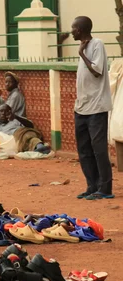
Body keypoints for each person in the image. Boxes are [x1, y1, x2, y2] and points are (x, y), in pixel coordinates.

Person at [72, 16, 114, 200]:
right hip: (81, 107)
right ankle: (92, 186)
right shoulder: (83, 46)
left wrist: (82, 54)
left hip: (96, 107)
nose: (71, 31)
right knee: (84, 150)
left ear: (80, 29)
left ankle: (105, 189)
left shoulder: (97, 44)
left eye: (73, 28)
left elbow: (97, 71)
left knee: (98, 149)